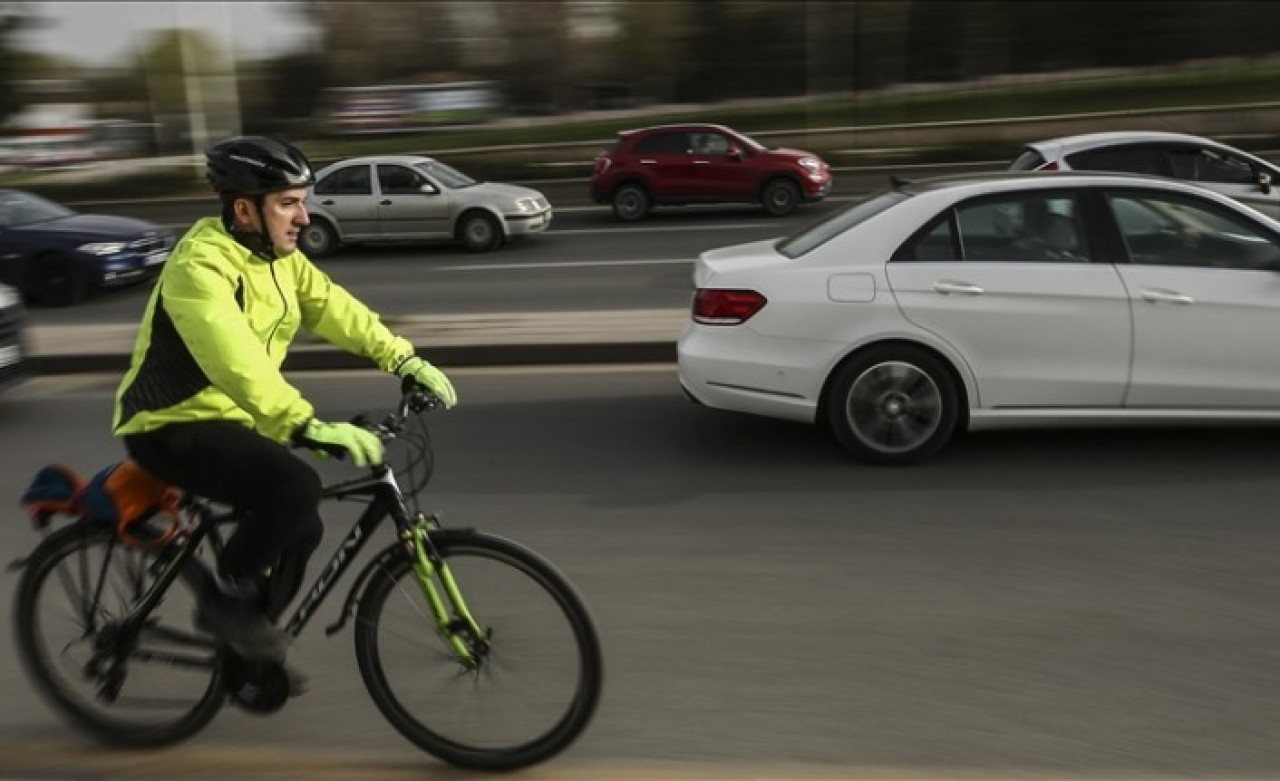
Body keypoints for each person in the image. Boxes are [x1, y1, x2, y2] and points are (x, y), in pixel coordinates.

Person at [111, 135, 457, 676]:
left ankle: (250, 647)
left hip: (234, 421)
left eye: (303, 200)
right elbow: (233, 358)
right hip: (170, 424)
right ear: (244, 209)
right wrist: (304, 425)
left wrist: (403, 360)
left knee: (304, 524)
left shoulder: (278, 257)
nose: (304, 215)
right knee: (295, 488)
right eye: (288, 203)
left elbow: (331, 306)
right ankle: (226, 605)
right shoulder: (199, 267)